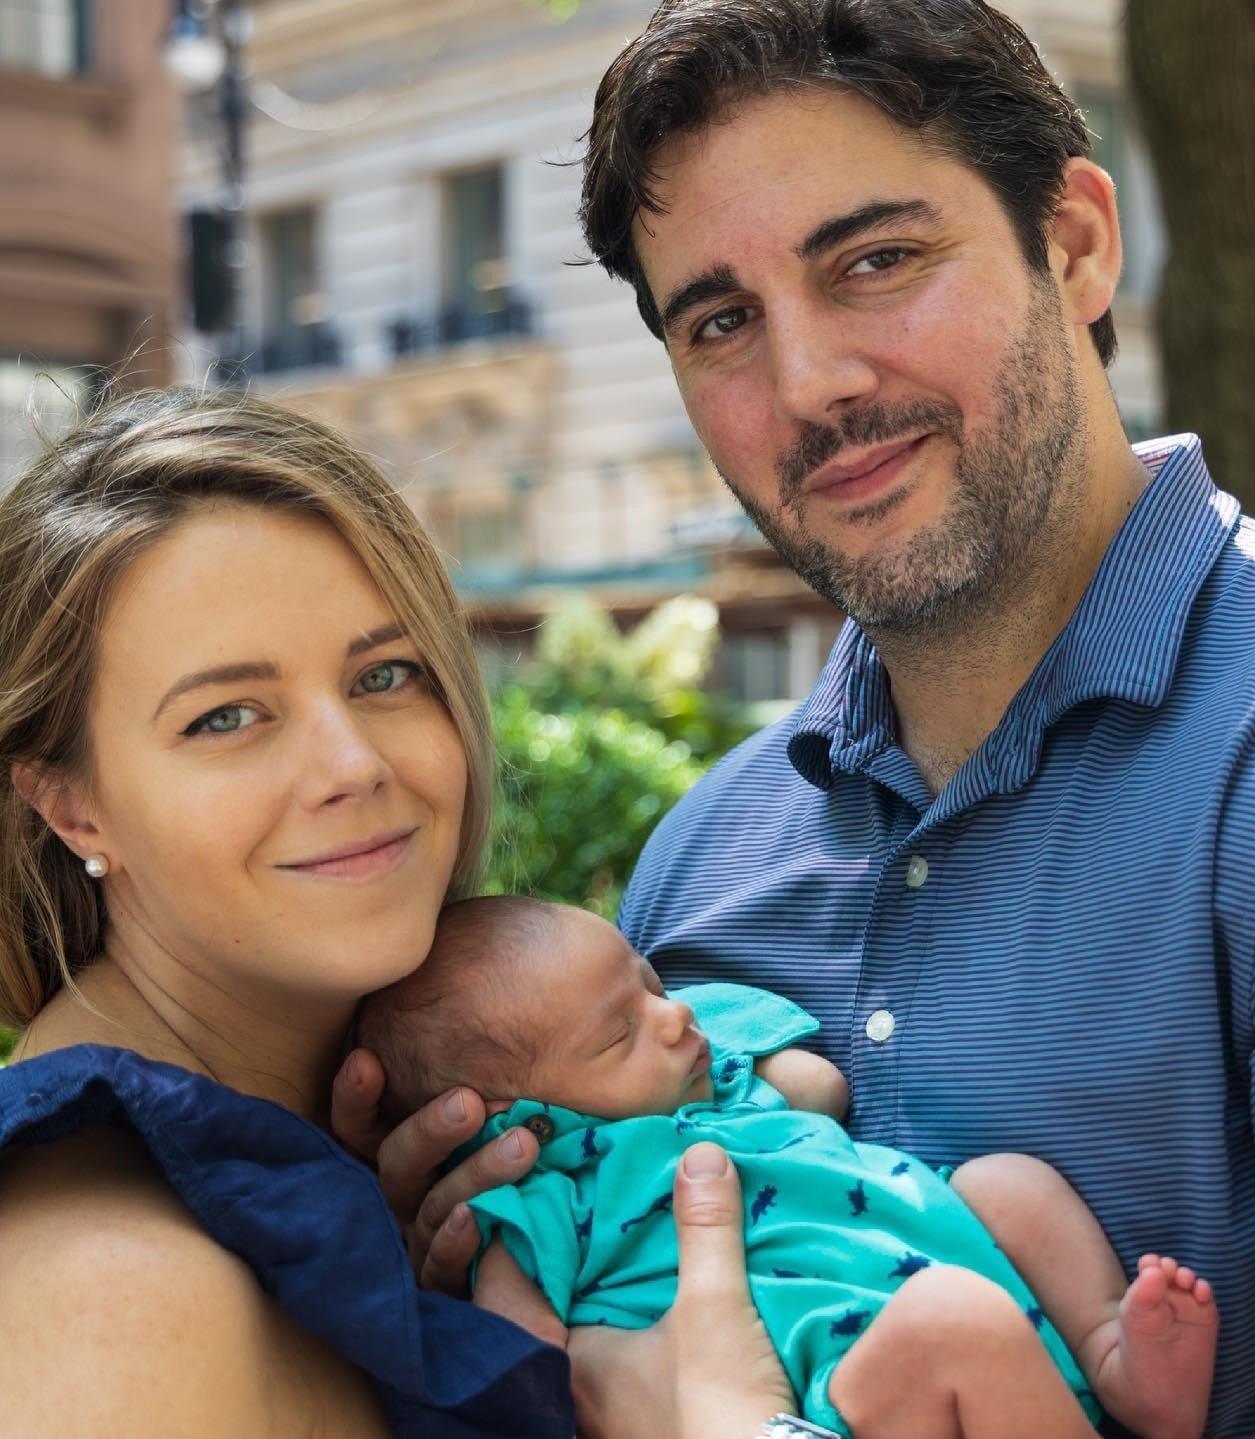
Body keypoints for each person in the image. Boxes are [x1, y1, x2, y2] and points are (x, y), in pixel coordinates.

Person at [336, 2, 1255, 1437]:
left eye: (876, 260)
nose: (810, 387)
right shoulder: (699, 862)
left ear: (1078, 243)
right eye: (722, 321)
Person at [0, 386, 768, 1438]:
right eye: (226, 715)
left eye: (384, 674)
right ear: (72, 805)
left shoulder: (357, 1160)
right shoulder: (116, 1293)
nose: (353, 764)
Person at [359, 893, 1220, 1439]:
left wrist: (719, 1057)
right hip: (840, 1387)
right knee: (955, 1318)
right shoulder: (545, 1193)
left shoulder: (719, 1086)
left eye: (652, 983)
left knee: (1008, 1183)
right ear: (526, 1118)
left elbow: (824, 1082)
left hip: (962, 1284)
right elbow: (527, 1367)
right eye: (619, 1034)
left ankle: (1116, 1353)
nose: (672, 1017)